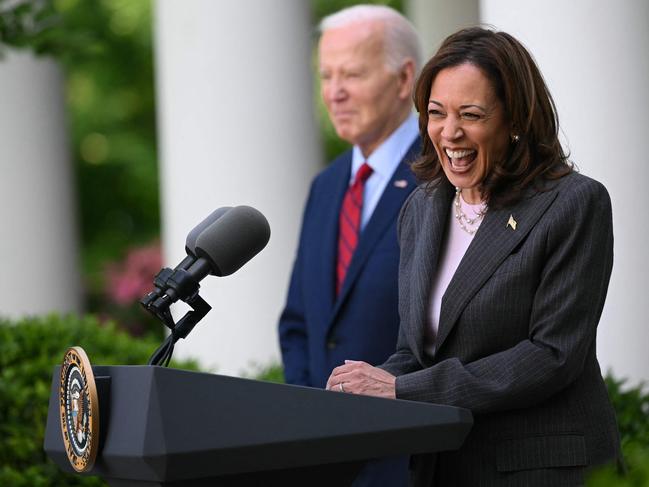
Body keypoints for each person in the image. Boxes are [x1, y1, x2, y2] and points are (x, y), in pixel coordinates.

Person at [327, 27, 622, 486]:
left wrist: (402, 389)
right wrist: (358, 391)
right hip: (443, 465)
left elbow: (552, 356)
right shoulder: (421, 208)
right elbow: (416, 351)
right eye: (436, 113)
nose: (450, 133)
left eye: (471, 114)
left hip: (539, 468)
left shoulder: (573, 203)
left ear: (515, 119)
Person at [278, 4, 421, 486]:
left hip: (412, 454)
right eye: (326, 76)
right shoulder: (326, 185)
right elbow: (299, 322)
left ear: (404, 80)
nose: (334, 93)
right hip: (327, 460)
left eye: (353, 75)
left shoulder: (443, 175)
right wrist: (308, 418)